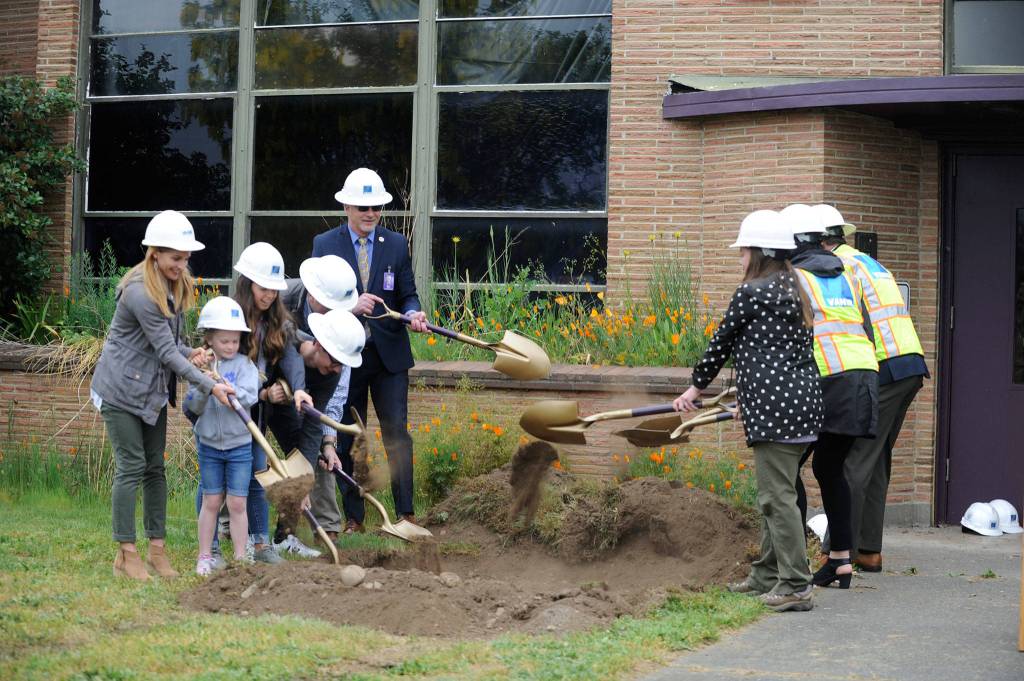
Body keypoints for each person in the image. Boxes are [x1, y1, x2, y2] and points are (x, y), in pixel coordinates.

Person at [674, 209, 823, 612]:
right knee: (780, 493)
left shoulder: (752, 292)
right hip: (803, 404)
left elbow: (721, 343)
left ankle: (795, 584)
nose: (739, 259)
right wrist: (749, 400)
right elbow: (773, 353)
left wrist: (693, 390)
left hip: (777, 410)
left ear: (758, 252)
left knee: (776, 498)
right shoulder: (796, 288)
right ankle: (766, 574)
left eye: (742, 252)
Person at [91, 210, 234, 581]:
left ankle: (157, 549)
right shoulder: (140, 291)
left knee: (156, 468)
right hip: (121, 390)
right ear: (155, 253)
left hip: (151, 392)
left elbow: (172, 346)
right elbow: (165, 352)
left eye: (186, 257)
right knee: (131, 466)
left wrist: (194, 354)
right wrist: (209, 384)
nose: (182, 265)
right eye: (176, 257)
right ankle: (126, 552)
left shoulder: (176, 284)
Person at [312, 168, 430, 533]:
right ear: (346, 205)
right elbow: (317, 304)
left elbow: (406, 292)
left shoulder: (395, 244)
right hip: (347, 355)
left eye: (376, 207)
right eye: (363, 207)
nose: (370, 214)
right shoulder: (325, 245)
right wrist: (350, 308)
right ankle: (354, 517)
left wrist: (412, 311)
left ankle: (406, 513)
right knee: (351, 434)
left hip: (389, 356)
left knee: (397, 433)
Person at [816, 204, 928, 572]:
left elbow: (843, 324)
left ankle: (837, 553)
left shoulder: (836, 268)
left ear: (820, 243)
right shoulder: (865, 261)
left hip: (879, 365)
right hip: (907, 361)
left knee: (852, 460)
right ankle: (868, 550)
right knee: (875, 458)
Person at [783, 203, 879, 589]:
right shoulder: (845, 273)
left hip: (828, 378)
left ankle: (792, 564)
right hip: (863, 377)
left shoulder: (795, 278)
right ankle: (840, 559)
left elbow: (792, 338)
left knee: (787, 466)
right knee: (828, 466)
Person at [232, 242, 313, 564]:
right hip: (234, 410)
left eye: (273, 290)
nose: (268, 295)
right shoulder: (233, 317)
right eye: (264, 288)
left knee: (256, 472)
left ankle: (260, 544)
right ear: (248, 283)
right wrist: (263, 394)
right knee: (227, 480)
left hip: (258, 411)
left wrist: (300, 389)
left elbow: (291, 354)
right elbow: (230, 370)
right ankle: (219, 545)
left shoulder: (275, 318)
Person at [272, 254, 359, 546]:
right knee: (244, 456)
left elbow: (314, 421)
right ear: (312, 293)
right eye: (330, 307)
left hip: (299, 394)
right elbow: (282, 351)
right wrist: (273, 388)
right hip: (260, 382)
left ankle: (285, 537)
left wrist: (306, 477)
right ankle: (232, 530)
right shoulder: (278, 299)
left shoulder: (333, 362)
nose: (337, 314)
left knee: (306, 457)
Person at [184, 297, 259, 575]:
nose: (230, 346)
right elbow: (191, 406)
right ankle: (205, 556)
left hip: (239, 446)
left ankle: (240, 559)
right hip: (210, 446)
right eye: (224, 341)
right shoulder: (200, 368)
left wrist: (233, 391)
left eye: (235, 341)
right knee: (211, 501)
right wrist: (208, 386)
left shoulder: (244, 366)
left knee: (238, 502)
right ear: (209, 340)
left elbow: (251, 395)